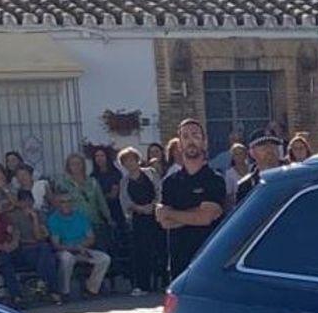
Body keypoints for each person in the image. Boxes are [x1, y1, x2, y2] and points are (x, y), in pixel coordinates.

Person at [157, 119, 227, 280]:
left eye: (195, 135)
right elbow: (164, 221)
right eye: (185, 136)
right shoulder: (170, 182)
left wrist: (172, 213)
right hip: (178, 264)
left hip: (208, 261)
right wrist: (193, 215)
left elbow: (205, 218)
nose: (191, 141)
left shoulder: (214, 179)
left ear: (204, 142)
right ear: (179, 144)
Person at [46, 192, 111, 297]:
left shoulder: (81, 216)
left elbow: (91, 238)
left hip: (83, 249)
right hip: (64, 250)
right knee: (67, 259)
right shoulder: (53, 219)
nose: (66, 204)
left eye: (69, 201)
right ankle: (64, 292)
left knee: (104, 258)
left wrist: (81, 246)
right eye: (63, 202)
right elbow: (56, 245)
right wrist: (73, 248)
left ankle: (91, 289)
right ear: (58, 204)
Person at [119, 147, 162, 296]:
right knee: (140, 252)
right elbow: (124, 201)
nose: (130, 163)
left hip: (155, 216)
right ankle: (143, 285)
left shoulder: (150, 173)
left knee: (158, 248)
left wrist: (153, 205)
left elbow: (159, 190)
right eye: (126, 161)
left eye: (132, 159)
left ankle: (163, 281)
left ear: (138, 160)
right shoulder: (124, 181)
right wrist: (137, 208)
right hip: (138, 219)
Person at [6, 189, 61, 303]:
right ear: (19, 203)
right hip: (24, 251)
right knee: (46, 254)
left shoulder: (39, 214)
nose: (27, 204)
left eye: (30, 201)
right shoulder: (13, 216)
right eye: (24, 201)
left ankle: (44, 282)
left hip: (39, 249)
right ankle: (53, 291)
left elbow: (40, 237)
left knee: (45, 251)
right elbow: (19, 239)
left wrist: (35, 219)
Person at [53, 152, 110, 247]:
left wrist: (108, 218)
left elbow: (101, 202)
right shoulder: (64, 185)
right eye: (73, 164)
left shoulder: (93, 182)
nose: (76, 166)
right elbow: (60, 205)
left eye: (79, 163)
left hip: (94, 222)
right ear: (68, 167)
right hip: (76, 225)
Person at [237, 134, 284, 204]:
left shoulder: (293, 175)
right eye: (263, 147)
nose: (269, 150)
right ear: (252, 153)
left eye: (273, 146)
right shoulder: (247, 185)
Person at [91, 146, 126, 228]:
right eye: (97, 156)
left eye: (102, 156)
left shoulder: (116, 174)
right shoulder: (93, 176)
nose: (99, 158)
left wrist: (105, 196)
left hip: (116, 209)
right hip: (100, 211)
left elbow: (114, 195)